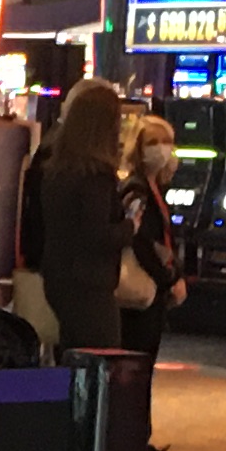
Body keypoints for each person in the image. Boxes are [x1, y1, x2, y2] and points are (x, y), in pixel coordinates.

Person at [19, 78, 132, 351]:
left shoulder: (57, 169)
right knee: (101, 359)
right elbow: (96, 235)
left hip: (58, 275)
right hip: (89, 283)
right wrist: (130, 226)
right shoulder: (95, 175)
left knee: (72, 353)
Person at [117, 102, 187, 358]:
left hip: (154, 287)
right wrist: (169, 277)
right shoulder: (136, 189)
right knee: (137, 359)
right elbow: (141, 241)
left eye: (167, 142)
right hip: (141, 288)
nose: (161, 149)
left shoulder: (154, 187)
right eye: (153, 142)